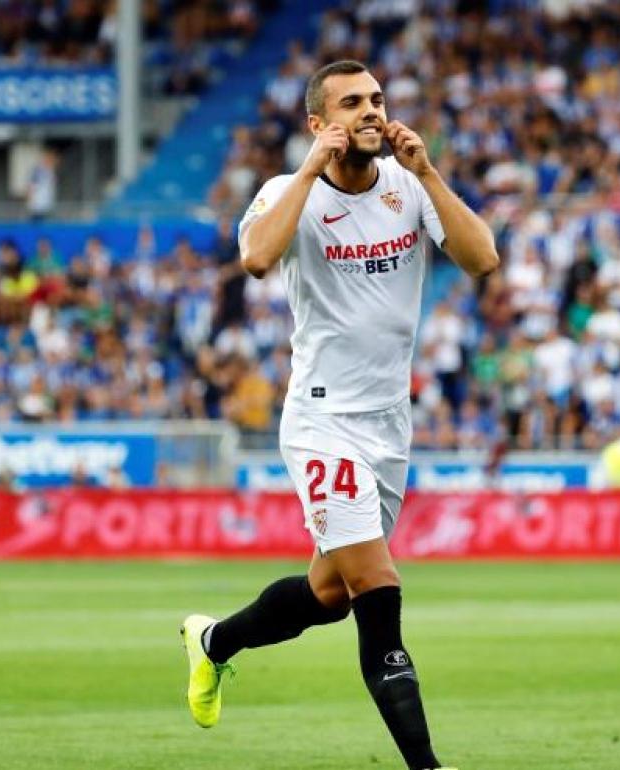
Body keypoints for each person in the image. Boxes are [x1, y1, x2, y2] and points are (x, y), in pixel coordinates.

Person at [180, 60, 498, 770]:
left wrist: (431, 174)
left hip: (389, 424)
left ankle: (212, 643)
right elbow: (258, 258)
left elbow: (483, 258)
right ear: (319, 123)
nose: (371, 112)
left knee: (328, 595)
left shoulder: (408, 189)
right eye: (351, 103)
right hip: (325, 422)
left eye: (378, 99)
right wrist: (306, 171)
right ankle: (428, 766)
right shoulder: (282, 195)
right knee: (377, 588)